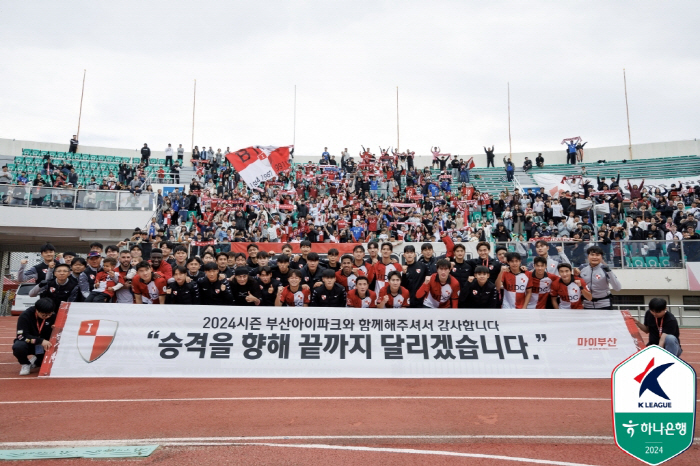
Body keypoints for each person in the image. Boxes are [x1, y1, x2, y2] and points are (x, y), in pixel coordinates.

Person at [13, 297, 56, 376]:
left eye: (50, 314)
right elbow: (21, 336)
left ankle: (37, 359)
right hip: (30, 343)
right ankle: (25, 364)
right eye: (44, 315)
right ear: (37, 310)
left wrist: (55, 329)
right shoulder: (25, 316)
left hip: (45, 345)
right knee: (19, 346)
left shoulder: (53, 315)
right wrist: (40, 341)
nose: (47, 317)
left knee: (40, 364)